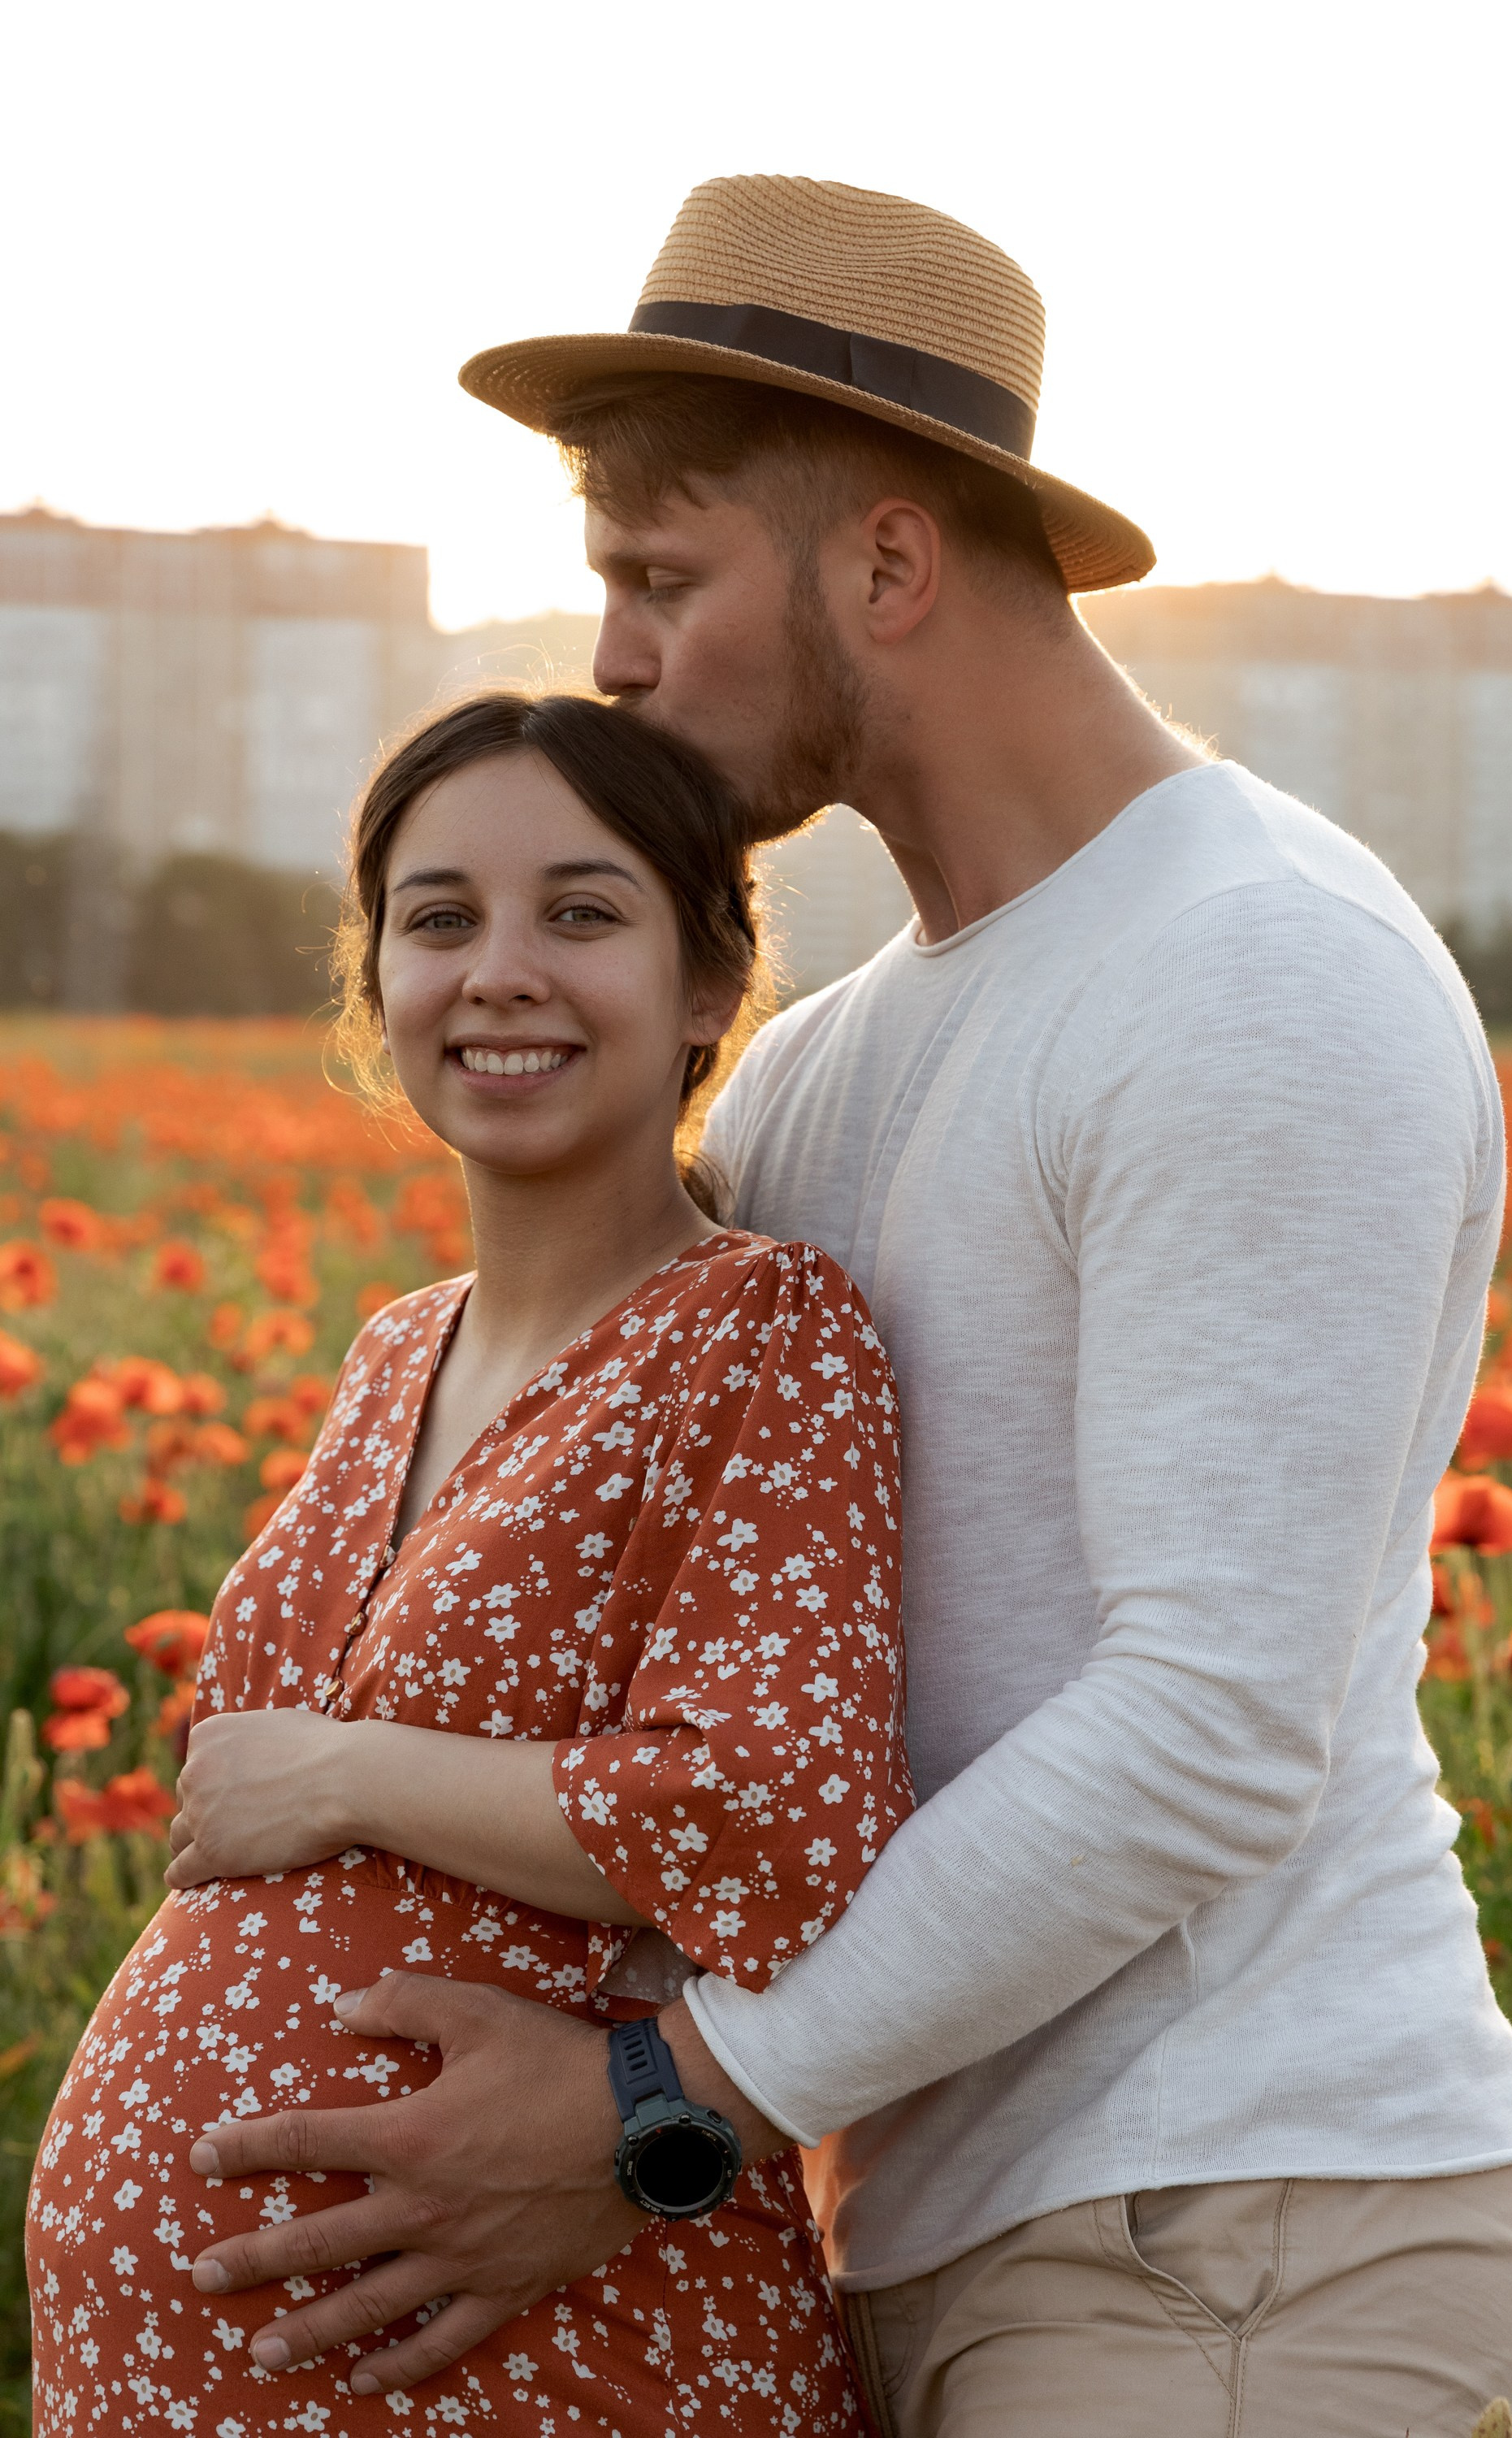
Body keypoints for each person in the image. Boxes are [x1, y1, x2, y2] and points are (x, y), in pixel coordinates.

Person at [166, 178, 1512, 2436]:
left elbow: (1208, 1724)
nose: (607, 654)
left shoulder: (1257, 972)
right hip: (909, 2207)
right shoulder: (823, 1061)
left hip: (1230, 2230)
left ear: (887, 567)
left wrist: (651, 2097)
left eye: (658, 580)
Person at [27, 688, 912, 2437]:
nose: (500, 968)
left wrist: (351, 1773)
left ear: (713, 985)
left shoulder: (756, 1331)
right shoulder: (389, 1355)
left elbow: (771, 1817)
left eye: (580, 914)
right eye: (441, 920)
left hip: (556, 2353)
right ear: (378, 988)